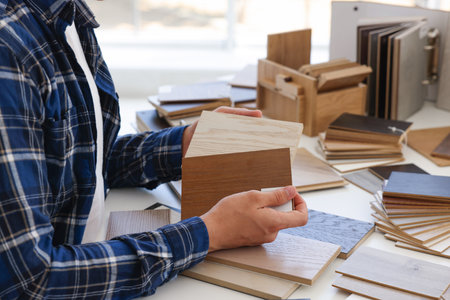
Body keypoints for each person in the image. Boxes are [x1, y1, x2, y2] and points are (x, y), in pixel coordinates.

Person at [0, 0, 308, 299]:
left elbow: (77, 162)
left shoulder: (67, 16)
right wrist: (209, 233)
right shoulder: (9, 50)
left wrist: (183, 145)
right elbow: (31, 281)